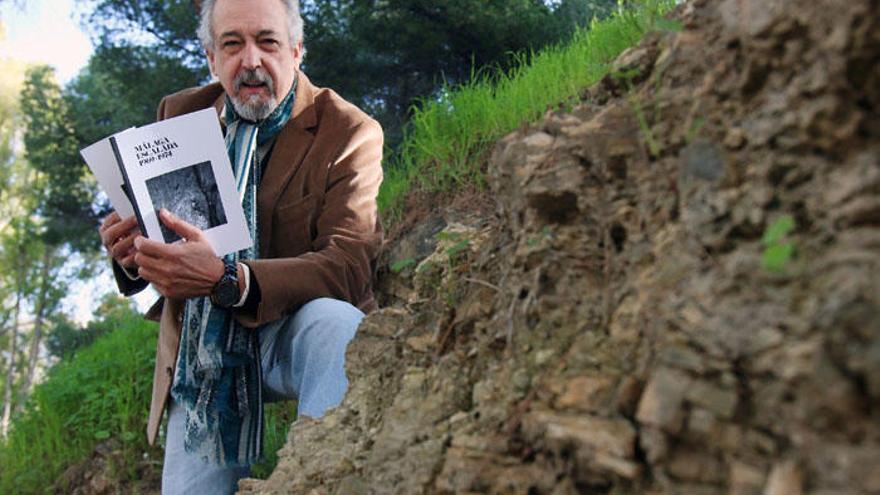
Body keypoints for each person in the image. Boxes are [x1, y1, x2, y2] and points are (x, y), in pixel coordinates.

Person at [97, 0, 383, 492]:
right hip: (204, 350)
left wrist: (231, 280)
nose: (250, 60)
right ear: (211, 58)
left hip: (292, 330)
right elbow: (164, 237)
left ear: (296, 50)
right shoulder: (178, 114)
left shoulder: (348, 131)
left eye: (267, 41)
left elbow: (348, 265)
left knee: (341, 325)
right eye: (232, 44)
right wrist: (133, 254)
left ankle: (322, 479)